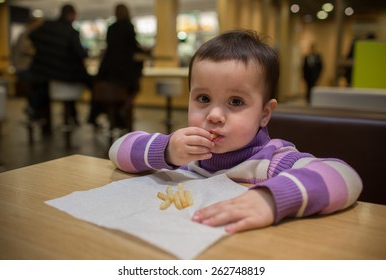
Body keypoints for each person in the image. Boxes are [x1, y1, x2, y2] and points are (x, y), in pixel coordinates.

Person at [108, 29, 363, 233]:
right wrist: (166, 150)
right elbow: (117, 150)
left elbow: (345, 176)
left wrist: (272, 199)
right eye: (203, 98)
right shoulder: (185, 154)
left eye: (236, 102)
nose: (214, 115)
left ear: (264, 113)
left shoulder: (272, 161)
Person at [88, 3, 149, 130]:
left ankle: (112, 115)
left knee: (107, 92)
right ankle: (123, 111)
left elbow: (110, 49)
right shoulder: (128, 26)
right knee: (134, 88)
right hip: (125, 73)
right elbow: (133, 48)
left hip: (108, 71)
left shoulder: (111, 28)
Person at [28, 3, 92, 123]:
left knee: (46, 85)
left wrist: (45, 51)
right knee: (90, 82)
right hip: (65, 74)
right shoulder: (71, 32)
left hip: (45, 72)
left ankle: (34, 107)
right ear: (71, 15)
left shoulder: (47, 26)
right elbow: (80, 54)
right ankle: (92, 115)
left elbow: (32, 35)